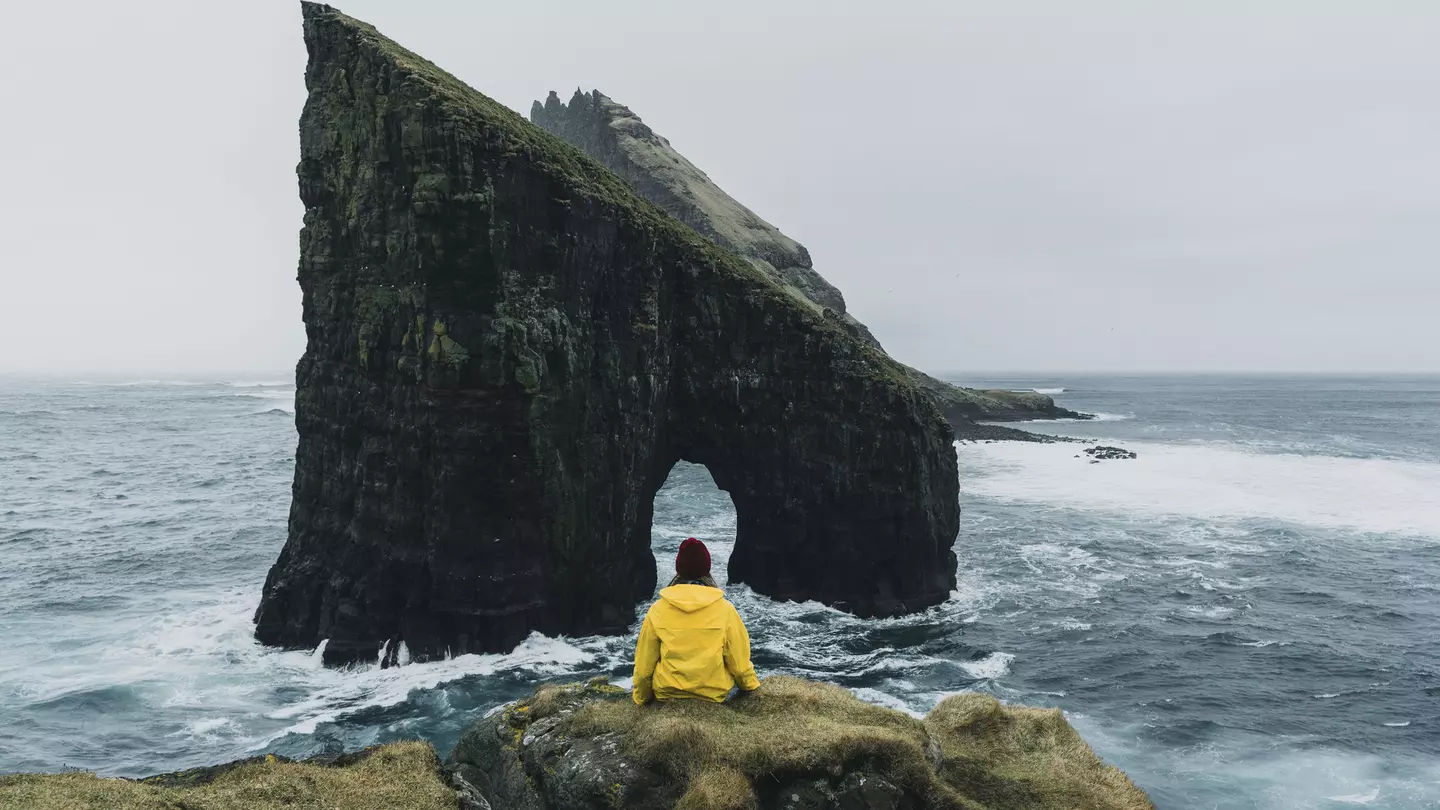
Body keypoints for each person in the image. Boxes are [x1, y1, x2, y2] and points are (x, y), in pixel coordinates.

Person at [631, 537, 760, 705]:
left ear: (679, 568)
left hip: (667, 694)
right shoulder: (725, 609)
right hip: (713, 695)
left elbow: (643, 666)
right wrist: (750, 687)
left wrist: (641, 698)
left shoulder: (658, 609)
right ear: (707, 568)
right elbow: (739, 664)